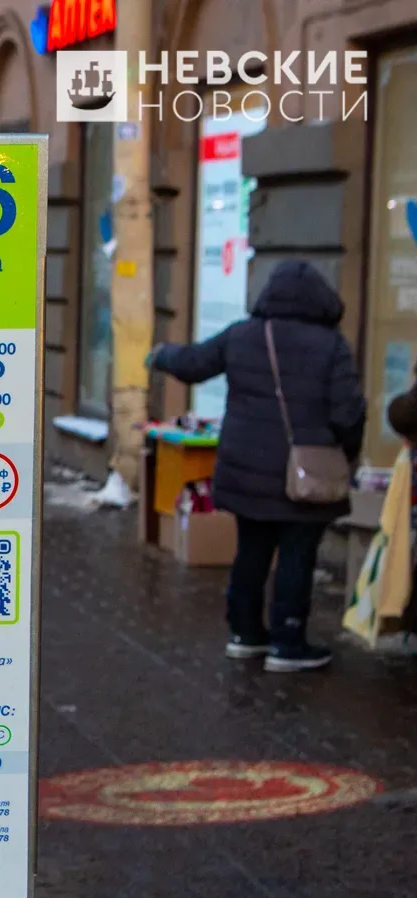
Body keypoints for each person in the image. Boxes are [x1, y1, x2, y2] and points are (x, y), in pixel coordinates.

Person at [150, 259, 366, 672]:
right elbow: (347, 413)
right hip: (308, 473)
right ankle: (288, 643)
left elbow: (195, 363)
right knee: (297, 556)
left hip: (245, 469)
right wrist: (346, 452)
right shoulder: (331, 345)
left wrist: (161, 355)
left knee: (251, 549)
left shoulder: (244, 335)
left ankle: (245, 634)